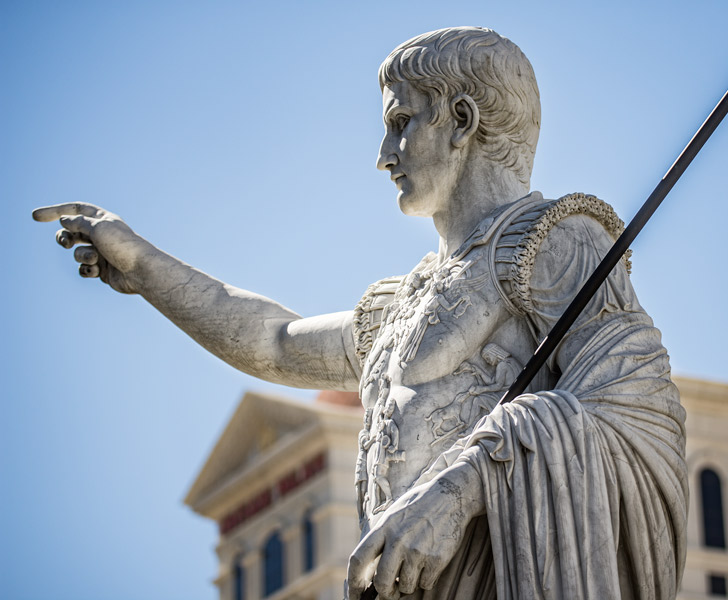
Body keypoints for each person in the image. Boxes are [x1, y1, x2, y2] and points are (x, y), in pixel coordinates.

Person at [34, 26, 686, 600]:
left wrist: (461, 488)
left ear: (461, 121)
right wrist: (144, 266)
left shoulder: (555, 242)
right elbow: (275, 341)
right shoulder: (404, 303)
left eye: (401, 122)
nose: (383, 153)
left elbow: (636, 407)